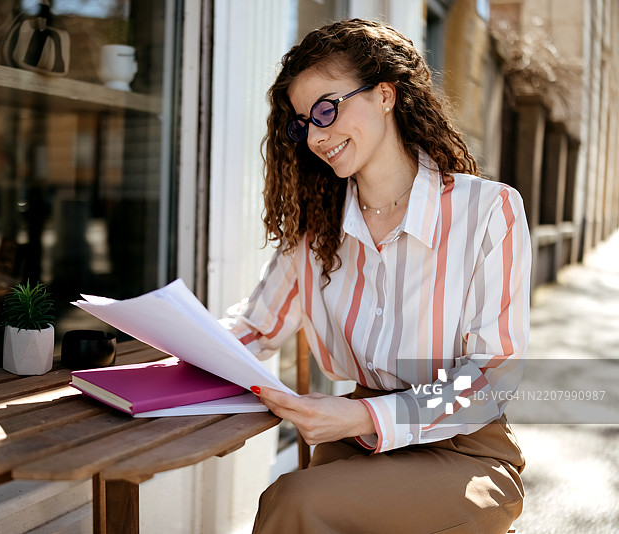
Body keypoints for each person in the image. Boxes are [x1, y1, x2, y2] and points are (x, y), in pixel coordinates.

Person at [224, 19, 531, 533]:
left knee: (293, 501)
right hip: (355, 446)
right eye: (304, 123)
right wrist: (161, 354)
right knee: (299, 499)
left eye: (328, 108)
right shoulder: (317, 231)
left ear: (385, 94)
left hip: (465, 452)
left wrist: (365, 418)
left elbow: (491, 377)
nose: (317, 136)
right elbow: (252, 330)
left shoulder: (489, 211)